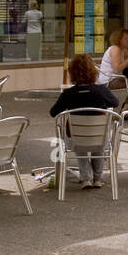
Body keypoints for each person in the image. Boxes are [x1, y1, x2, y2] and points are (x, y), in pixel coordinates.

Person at [50, 54, 119, 189]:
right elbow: (115, 102)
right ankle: (98, 178)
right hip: (99, 138)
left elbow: (53, 113)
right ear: (93, 72)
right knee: (99, 140)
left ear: (72, 73)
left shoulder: (68, 94)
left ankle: (86, 177)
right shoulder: (101, 91)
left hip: (76, 140)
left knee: (78, 138)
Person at [97, 27, 128, 105]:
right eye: (126, 38)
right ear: (119, 39)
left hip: (116, 79)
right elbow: (117, 69)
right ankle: (127, 107)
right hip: (109, 81)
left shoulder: (122, 50)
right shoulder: (116, 49)